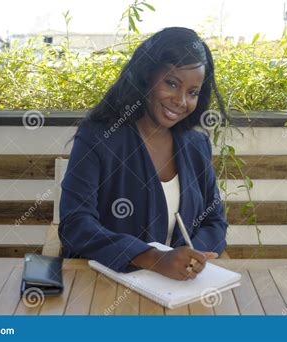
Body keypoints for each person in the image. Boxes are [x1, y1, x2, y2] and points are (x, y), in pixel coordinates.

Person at [59, 27, 228, 281]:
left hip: (178, 288)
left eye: (192, 92)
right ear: (146, 76)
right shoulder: (99, 137)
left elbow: (214, 220)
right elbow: (76, 224)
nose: (181, 101)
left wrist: (195, 257)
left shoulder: (196, 145)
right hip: (105, 284)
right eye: (172, 83)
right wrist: (154, 258)